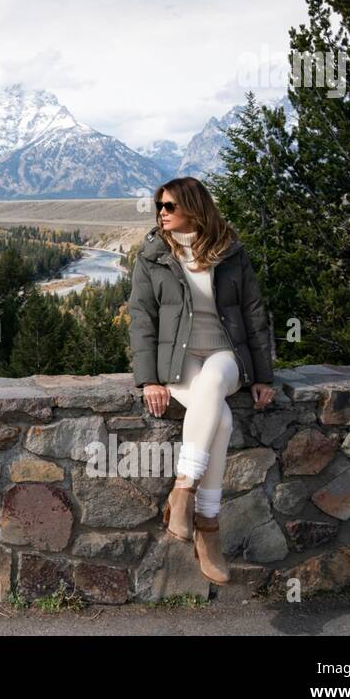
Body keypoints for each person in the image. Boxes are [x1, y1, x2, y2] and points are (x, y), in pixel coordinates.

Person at [126, 177, 276, 584]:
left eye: (169, 206)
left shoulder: (231, 253)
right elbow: (142, 320)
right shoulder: (152, 256)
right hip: (177, 361)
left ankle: (182, 493)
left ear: (193, 206)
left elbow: (254, 313)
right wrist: (149, 380)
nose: (161, 213)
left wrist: (263, 375)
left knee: (214, 384)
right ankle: (208, 526)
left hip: (225, 354)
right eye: (159, 205)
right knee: (222, 421)